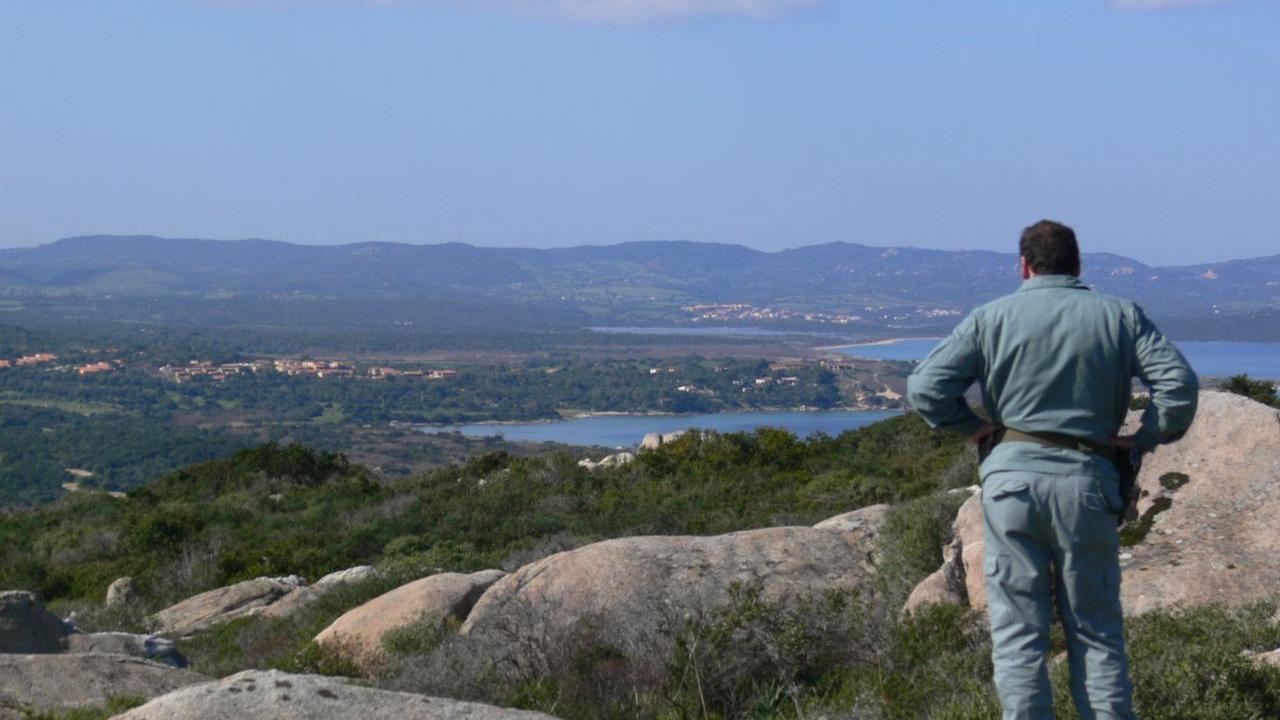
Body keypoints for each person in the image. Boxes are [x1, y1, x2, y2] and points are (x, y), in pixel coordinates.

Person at [905, 220, 1198, 719]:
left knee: (1019, 636)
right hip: (1088, 484)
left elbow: (926, 387)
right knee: (1096, 632)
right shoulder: (1119, 316)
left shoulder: (990, 319)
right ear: (1078, 265)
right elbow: (1179, 386)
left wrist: (971, 428)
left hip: (1011, 487)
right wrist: (1145, 435)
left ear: (1024, 265)